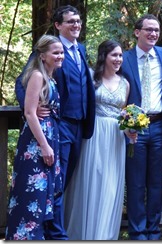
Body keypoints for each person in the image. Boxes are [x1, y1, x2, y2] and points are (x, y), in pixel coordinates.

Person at [14, 5, 95, 240]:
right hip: (58, 125)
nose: (76, 25)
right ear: (58, 25)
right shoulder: (47, 49)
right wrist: (31, 107)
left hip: (80, 125)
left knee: (62, 181)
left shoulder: (80, 49)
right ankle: (57, 235)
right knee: (54, 183)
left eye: (78, 21)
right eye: (70, 21)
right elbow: (23, 81)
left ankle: (52, 230)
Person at [63, 40, 135, 240]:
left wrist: (130, 129)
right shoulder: (92, 79)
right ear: (104, 56)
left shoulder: (125, 83)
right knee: (91, 180)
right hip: (94, 134)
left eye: (120, 55)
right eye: (114, 55)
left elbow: (124, 114)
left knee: (111, 186)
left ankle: (104, 235)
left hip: (116, 137)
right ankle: (83, 234)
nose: (118, 59)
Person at [5, 35, 64, 240]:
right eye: (55, 52)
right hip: (36, 143)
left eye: (61, 52)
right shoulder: (38, 76)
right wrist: (44, 146)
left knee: (44, 197)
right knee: (32, 196)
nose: (60, 56)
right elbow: (30, 113)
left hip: (48, 138)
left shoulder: (50, 77)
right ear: (42, 55)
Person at [121, 14, 162, 240]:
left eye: (156, 30)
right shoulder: (123, 59)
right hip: (135, 130)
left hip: (160, 125)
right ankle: (137, 231)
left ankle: (153, 230)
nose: (153, 34)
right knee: (135, 182)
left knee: (156, 182)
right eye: (148, 30)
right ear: (137, 32)